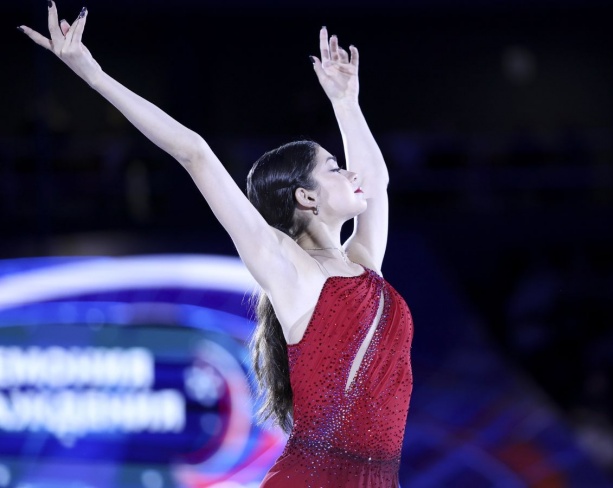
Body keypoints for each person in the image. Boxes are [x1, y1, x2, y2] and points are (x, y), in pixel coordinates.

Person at [19, 3, 413, 486]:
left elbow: (376, 180)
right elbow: (195, 153)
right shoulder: (291, 271)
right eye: (334, 167)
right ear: (306, 197)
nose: (351, 173)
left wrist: (346, 102)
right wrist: (92, 74)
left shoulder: (365, 265)